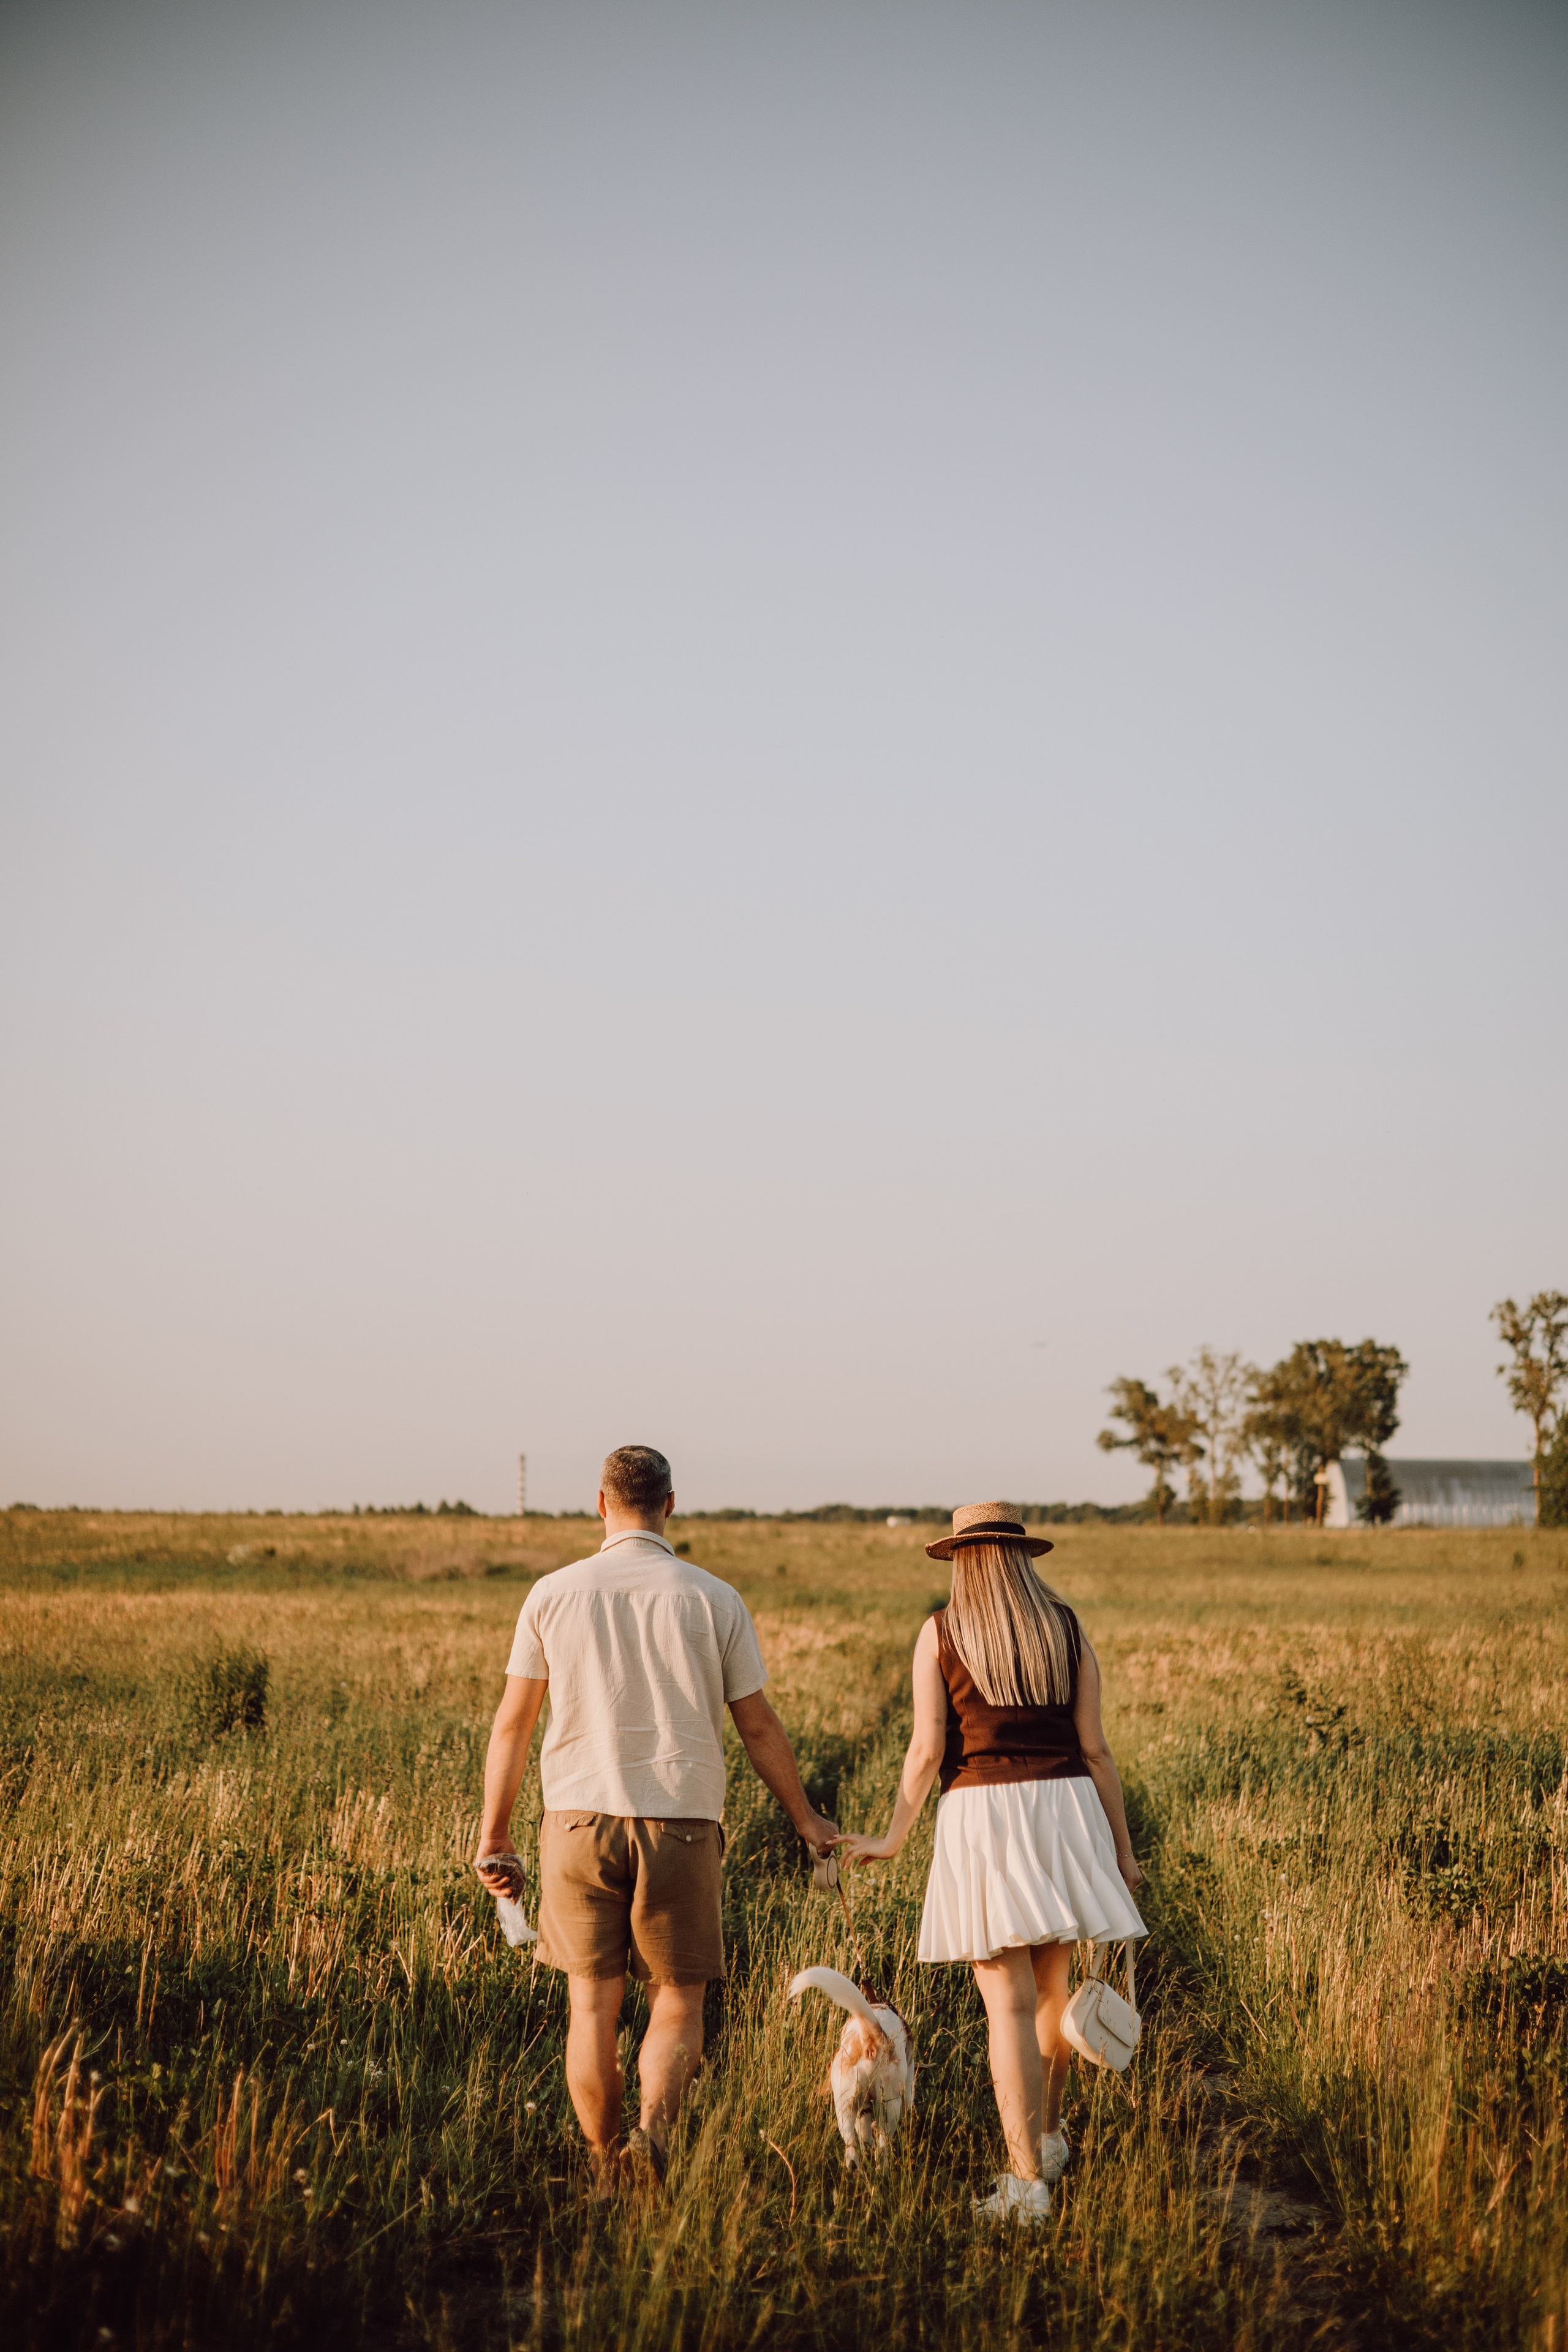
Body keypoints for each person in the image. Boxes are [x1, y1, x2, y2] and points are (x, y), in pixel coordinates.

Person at [475, 1444, 838, 2190]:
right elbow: (758, 1726)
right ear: (671, 1504)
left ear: (600, 1504)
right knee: (676, 2001)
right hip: (682, 1823)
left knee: (591, 2008)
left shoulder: (553, 1593)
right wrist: (804, 1818)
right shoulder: (713, 1598)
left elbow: (512, 1725)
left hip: (576, 1822)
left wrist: (494, 1832)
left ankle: (606, 2164)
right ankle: (655, 2144)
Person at [837, 1503, 1146, 2224]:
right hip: (1066, 1809)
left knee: (1004, 2005)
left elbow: (924, 1754)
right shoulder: (1064, 1629)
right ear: (1019, 1558)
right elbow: (1097, 1751)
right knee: (1051, 1994)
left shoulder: (941, 1632)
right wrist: (1122, 1852)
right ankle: (1049, 2141)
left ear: (963, 1559)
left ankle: (1025, 2183)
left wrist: (889, 1839)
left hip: (985, 1814)